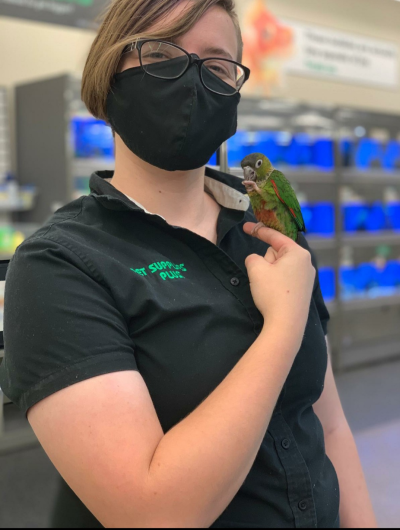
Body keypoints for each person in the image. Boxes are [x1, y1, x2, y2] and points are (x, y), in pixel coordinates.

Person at [0, 0, 378, 528]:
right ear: (109, 74)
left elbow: (327, 424)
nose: (193, 80)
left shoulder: (272, 230)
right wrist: (283, 327)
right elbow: (153, 514)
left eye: (217, 66)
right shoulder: (57, 267)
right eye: (160, 54)